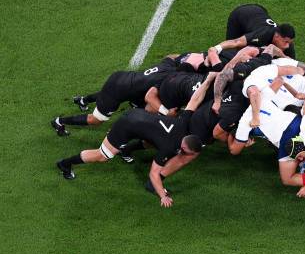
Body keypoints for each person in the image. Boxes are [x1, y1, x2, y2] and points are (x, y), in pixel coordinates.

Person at [55, 73, 216, 208]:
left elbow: (194, 100)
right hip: (126, 126)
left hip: (139, 115)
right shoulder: (169, 148)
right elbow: (154, 174)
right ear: (184, 149)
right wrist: (162, 196)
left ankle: (125, 148)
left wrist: (208, 80)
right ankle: (65, 164)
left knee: (150, 140)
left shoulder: (183, 123)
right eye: (189, 155)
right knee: (102, 156)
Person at [51, 56, 178, 136]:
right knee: (96, 120)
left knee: (138, 105)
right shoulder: (169, 80)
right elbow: (150, 97)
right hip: (119, 90)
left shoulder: (168, 66)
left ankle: (83, 100)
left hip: (124, 78)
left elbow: (171, 57)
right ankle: (59, 121)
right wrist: (166, 112)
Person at [212, 4, 296, 58]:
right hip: (240, 15)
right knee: (232, 52)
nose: (287, 46)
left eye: (289, 42)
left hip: (259, 11)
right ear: (277, 36)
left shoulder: (287, 41)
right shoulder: (262, 35)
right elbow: (236, 42)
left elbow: (294, 64)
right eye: (285, 42)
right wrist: (215, 49)